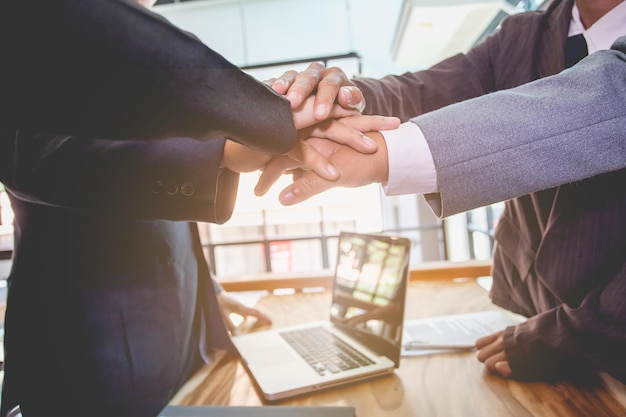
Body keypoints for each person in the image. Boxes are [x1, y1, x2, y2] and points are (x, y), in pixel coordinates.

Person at [0, 1, 402, 416]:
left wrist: (210, 294)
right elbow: (34, 157)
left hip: (187, 341)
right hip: (89, 359)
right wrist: (226, 151)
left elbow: (159, 221)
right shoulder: (37, 40)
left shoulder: (152, 63)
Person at [260, 0, 626, 383]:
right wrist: (337, 102)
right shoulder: (527, 32)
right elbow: (422, 92)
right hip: (532, 316)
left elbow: (603, 100)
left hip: (604, 339)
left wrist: (385, 154)